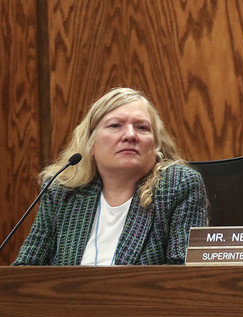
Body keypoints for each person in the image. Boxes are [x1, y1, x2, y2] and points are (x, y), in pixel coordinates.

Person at [12, 88, 207, 266]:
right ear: (91, 144)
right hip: (66, 304)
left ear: (155, 146)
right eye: (115, 125)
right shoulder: (62, 192)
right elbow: (25, 270)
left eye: (142, 128)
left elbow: (184, 273)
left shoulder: (177, 186)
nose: (130, 135)